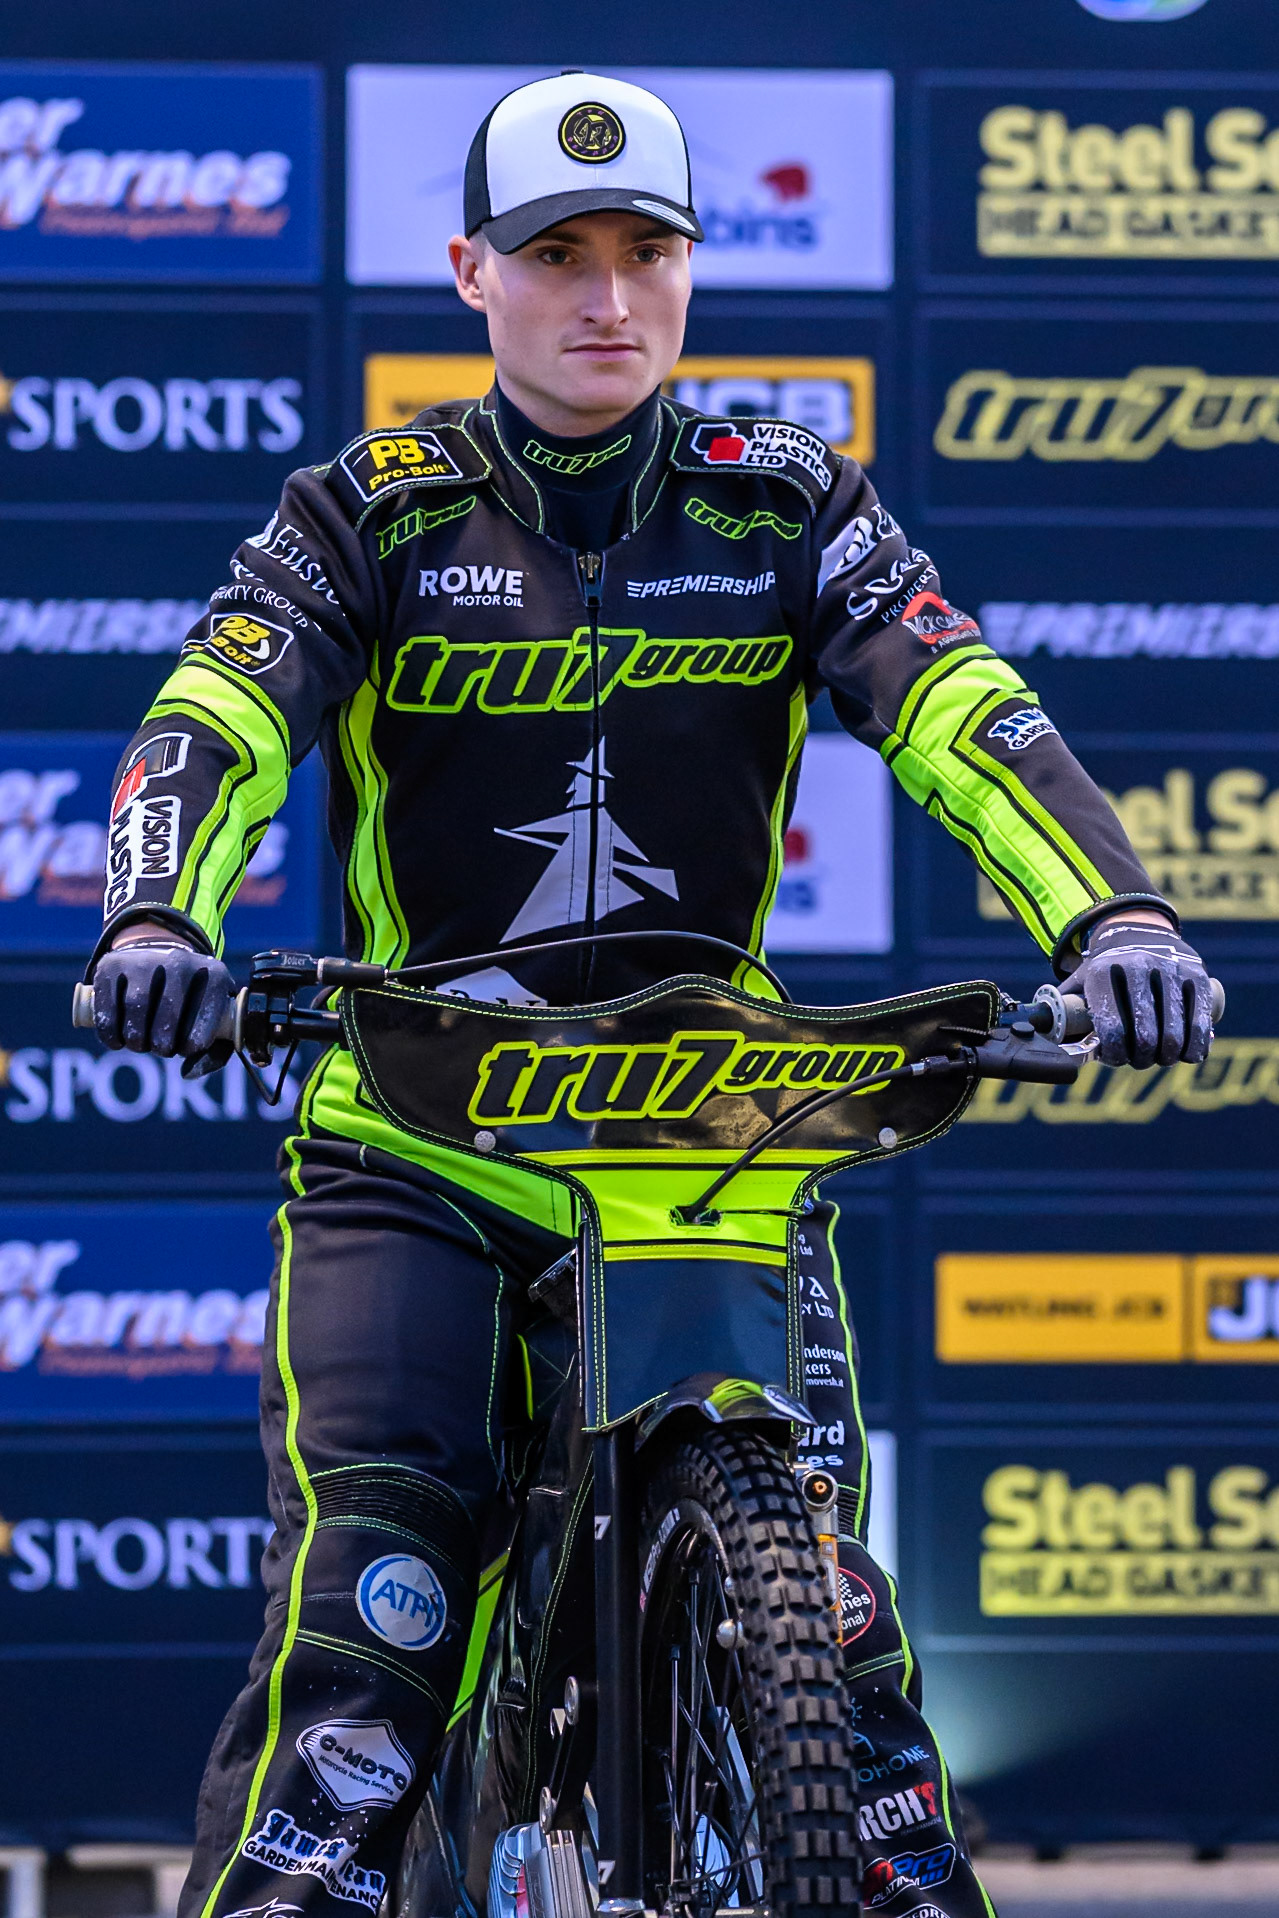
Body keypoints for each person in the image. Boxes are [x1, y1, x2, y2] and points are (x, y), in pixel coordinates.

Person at [87, 70, 1213, 1918]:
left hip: (713, 1142)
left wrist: (1118, 919)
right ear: (472, 271)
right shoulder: (369, 507)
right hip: (425, 1138)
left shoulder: (786, 496)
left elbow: (956, 708)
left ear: (691, 270)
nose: (606, 297)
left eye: (646, 252)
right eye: (557, 256)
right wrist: (153, 925)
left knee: (842, 1672)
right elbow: (214, 718)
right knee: (364, 1666)